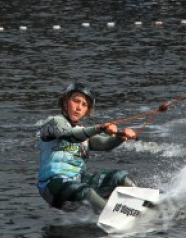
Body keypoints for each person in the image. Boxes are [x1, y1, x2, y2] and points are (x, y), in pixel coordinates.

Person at [36, 82, 139, 213]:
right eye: (76, 101)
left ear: (87, 111)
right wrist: (99, 128)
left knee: (120, 177)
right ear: (65, 103)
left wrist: (121, 137)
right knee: (87, 192)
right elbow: (71, 135)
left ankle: (147, 205)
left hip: (77, 184)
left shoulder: (83, 132)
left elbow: (105, 144)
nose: (79, 107)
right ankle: (118, 215)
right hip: (52, 188)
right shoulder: (54, 123)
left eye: (84, 105)